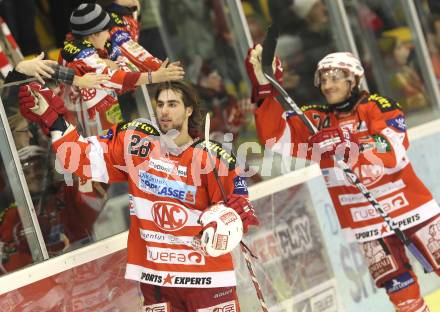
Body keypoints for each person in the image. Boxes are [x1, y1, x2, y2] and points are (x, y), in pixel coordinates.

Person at [18, 80, 259, 311]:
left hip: (207, 279)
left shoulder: (212, 156)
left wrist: (226, 224)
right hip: (157, 281)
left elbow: (240, 207)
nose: (164, 111)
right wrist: (53, 119)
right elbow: (80, 158)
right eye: (160, 104)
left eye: (172, 104)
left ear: (189, 110)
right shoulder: (137, 143)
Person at [246, 47, 440, 311]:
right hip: (365, 223)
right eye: (323, 79)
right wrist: (265, 90)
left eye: (335, 78)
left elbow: (393, 149)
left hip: (412, 209)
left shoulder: (378, 106)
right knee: (403, 297)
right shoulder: (315, 119)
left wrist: (349, 143)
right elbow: (272, 137)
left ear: (353, 80)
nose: (327, 85)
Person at [59, 3, 184, 132]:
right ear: (94, 34)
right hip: (82, 128)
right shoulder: (80, 53)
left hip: (101, 120)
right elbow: (116, 78)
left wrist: (113, 67)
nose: (109, 35)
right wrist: (154, 76)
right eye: (106, 30)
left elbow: (129, 69)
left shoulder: (100, 45)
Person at [96, 0, 164, 72]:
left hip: (134, 71)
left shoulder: (129, 11)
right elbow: (133, 51)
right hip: (119, 74)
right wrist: (160, 69)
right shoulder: (112, 21)